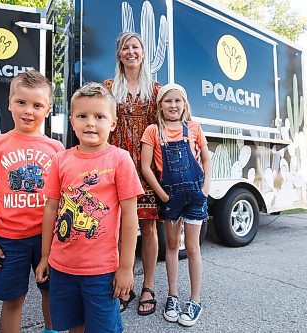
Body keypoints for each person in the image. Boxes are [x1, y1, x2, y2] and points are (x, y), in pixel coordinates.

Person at [36, 82, 143, 333]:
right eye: (82, 116)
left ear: (113, 123)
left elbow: (130, 217)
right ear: (72, 120)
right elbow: (51, 208)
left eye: (99, 117)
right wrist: (44, 256)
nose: (90, 123)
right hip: (62, 268)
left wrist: (126, 268)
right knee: (74, 325)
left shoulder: (119, 159)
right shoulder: (61, 159)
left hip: (102, 272)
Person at [0, 70, 64, 333]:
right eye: (21, 102)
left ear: (47, 109)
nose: (28, 111)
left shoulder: (57, 149)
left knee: (52, 292)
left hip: (49, 237)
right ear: (9, 102)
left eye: (37, 105)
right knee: (12, 299)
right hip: (9, 238)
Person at [141, 83, 211, 327]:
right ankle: (172, 296)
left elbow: (205, 157)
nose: (173, 105)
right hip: (170, 198)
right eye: (168, 101)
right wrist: (162, 195)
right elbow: (145, 166)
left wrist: (206, 187)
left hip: (195, 196)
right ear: (160, 105)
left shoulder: (193, 128)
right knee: (171, 246)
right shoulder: (153, 131)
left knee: (192, 248)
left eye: (177, 101)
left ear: (185, 104)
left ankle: (195, 300)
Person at [103, 31, 162, 315]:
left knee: (148, 228)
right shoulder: (108, 87)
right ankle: (122, 282)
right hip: (114, 167)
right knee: (115, 228)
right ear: (119, 54)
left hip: (146, 169)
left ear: (143, 52)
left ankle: (148, 286)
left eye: (135, 47)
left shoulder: (156, 91)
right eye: (125, 47)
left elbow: (166, 130)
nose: (130, 51)